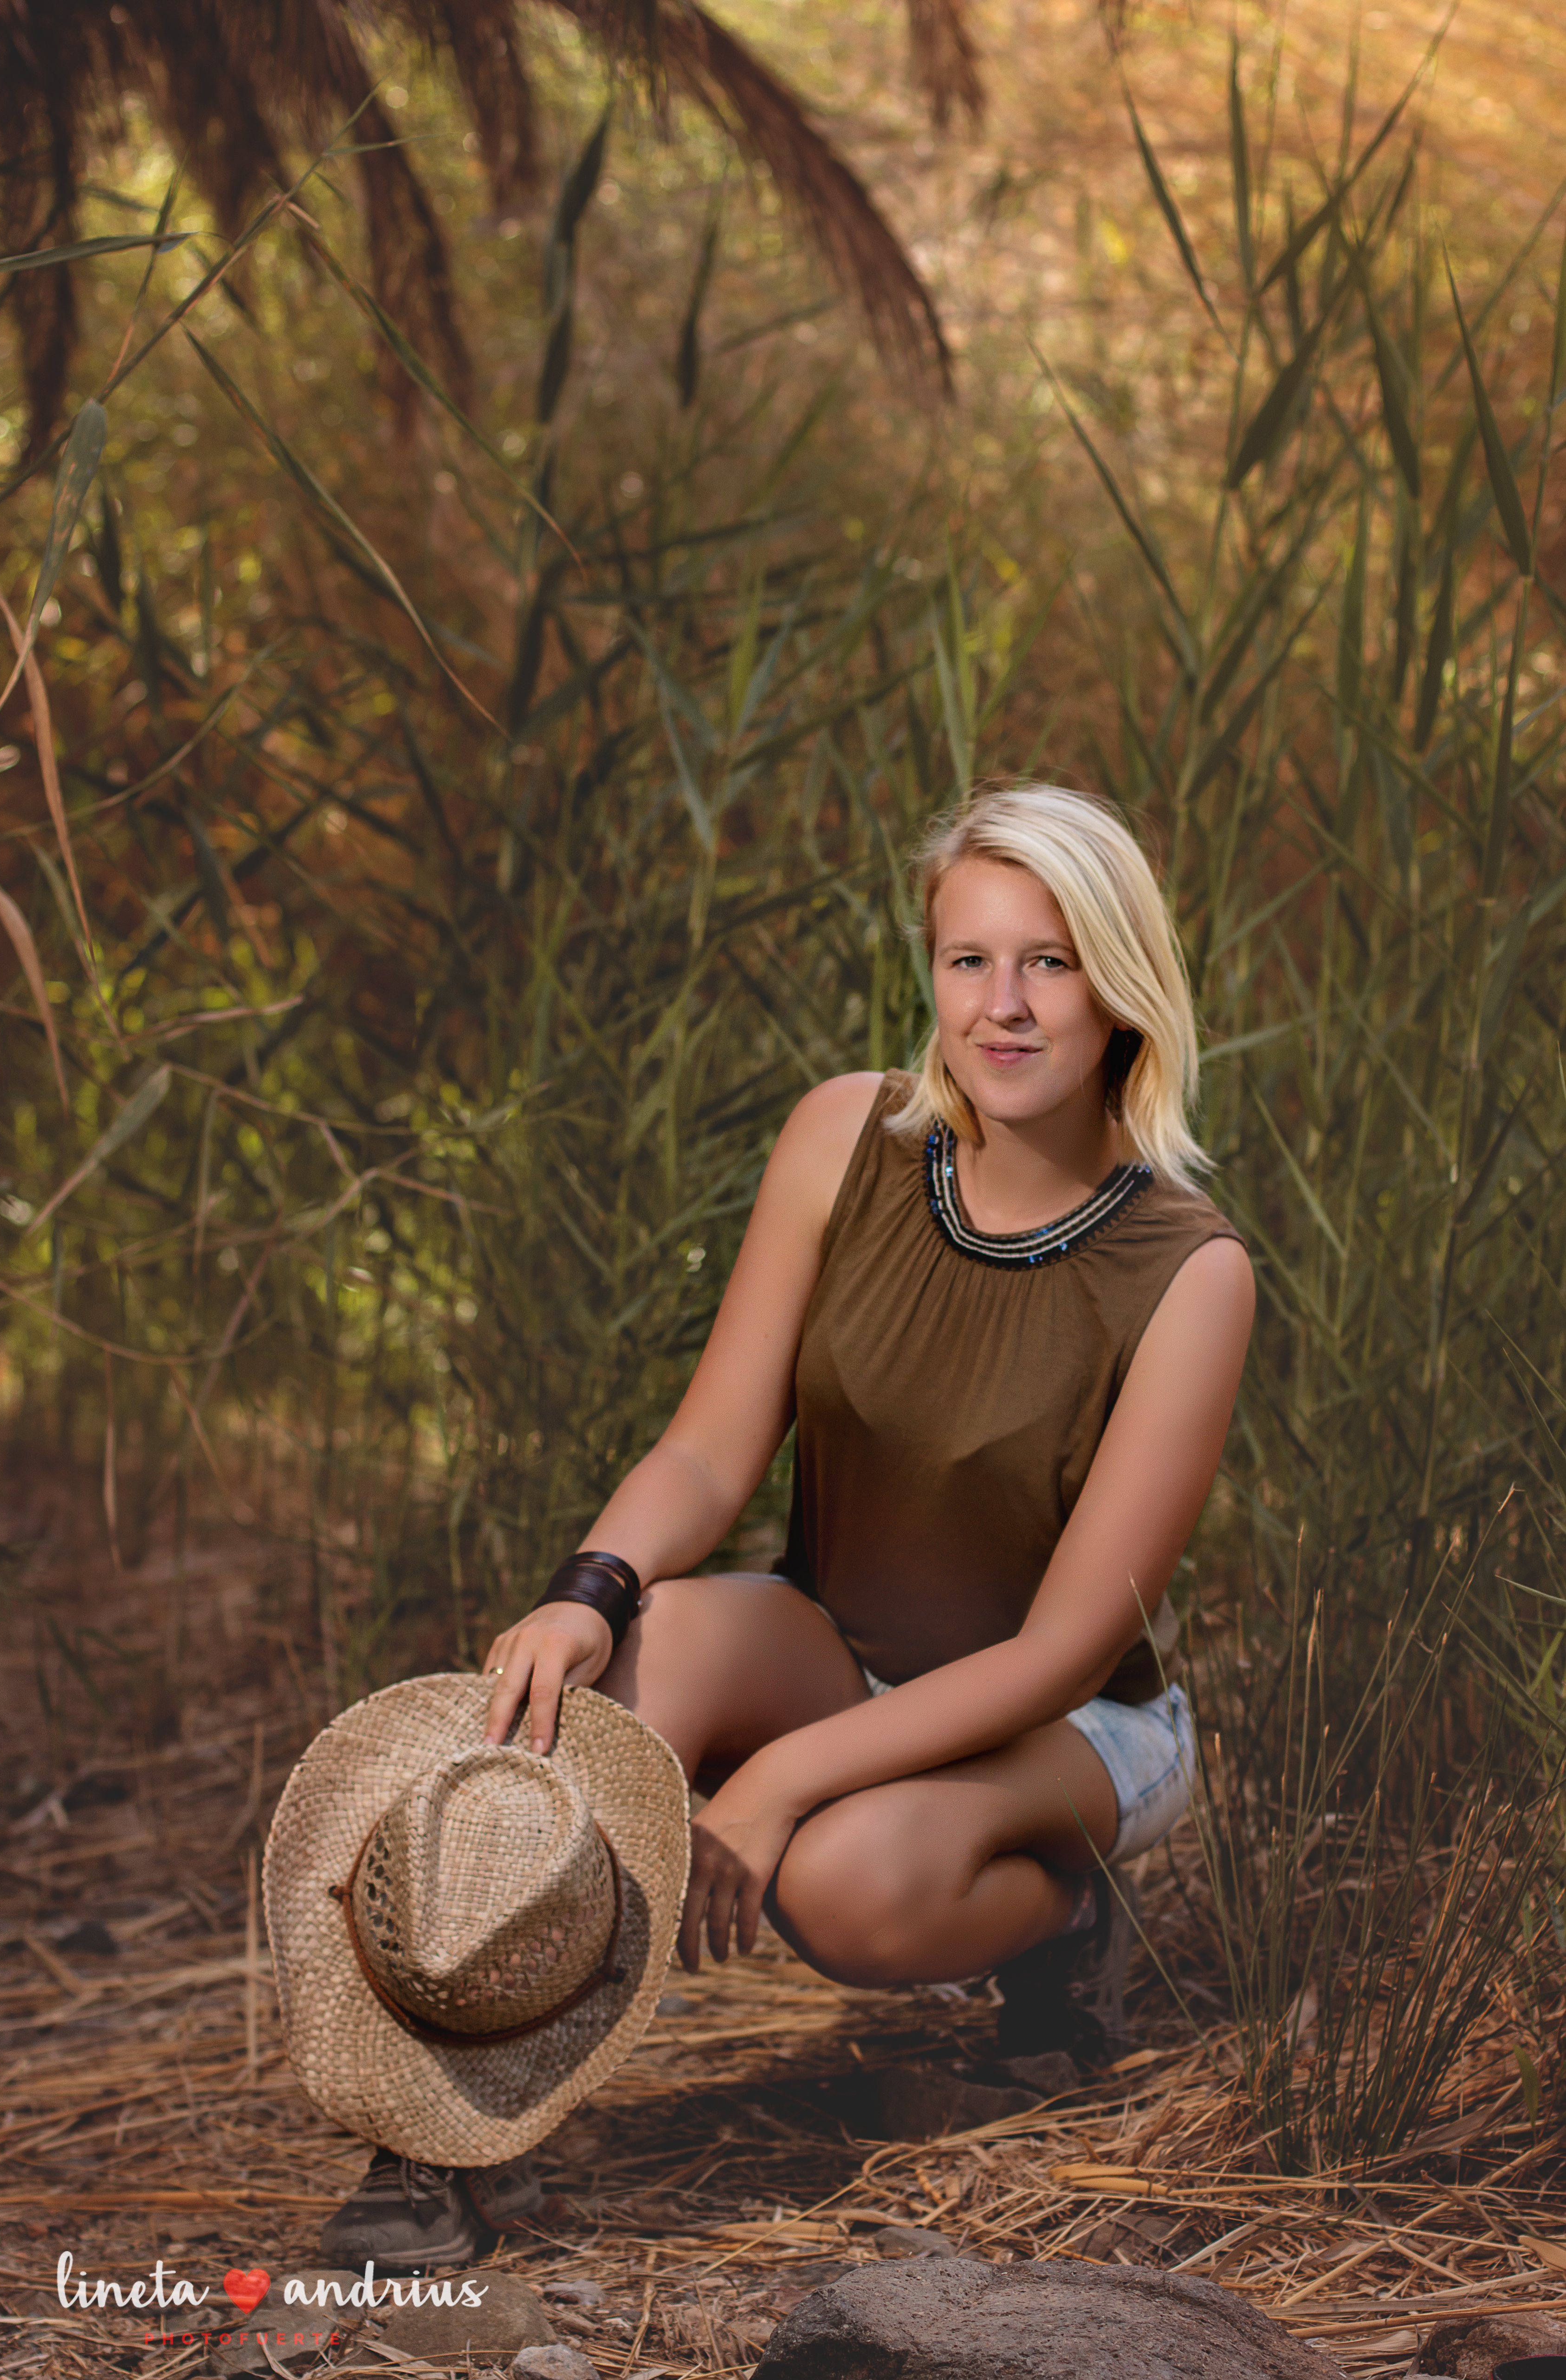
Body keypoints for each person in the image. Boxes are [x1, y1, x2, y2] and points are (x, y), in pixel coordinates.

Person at [322, 782, 1254, 2269]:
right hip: (841, 1647)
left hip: (1070, 1715)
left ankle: (1062, 1927)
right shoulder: (848, 1138)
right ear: (933, 973)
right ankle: (447, 2129)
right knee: (643, 1644)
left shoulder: (1187, 1270)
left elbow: (1066, 1643)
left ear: (1123, 988)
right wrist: (589, 1588)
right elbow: (708, 1445)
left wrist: (780, 1787)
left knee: (843, 1886)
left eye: (1050, 962)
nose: (1003, 1007)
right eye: (969, 961)